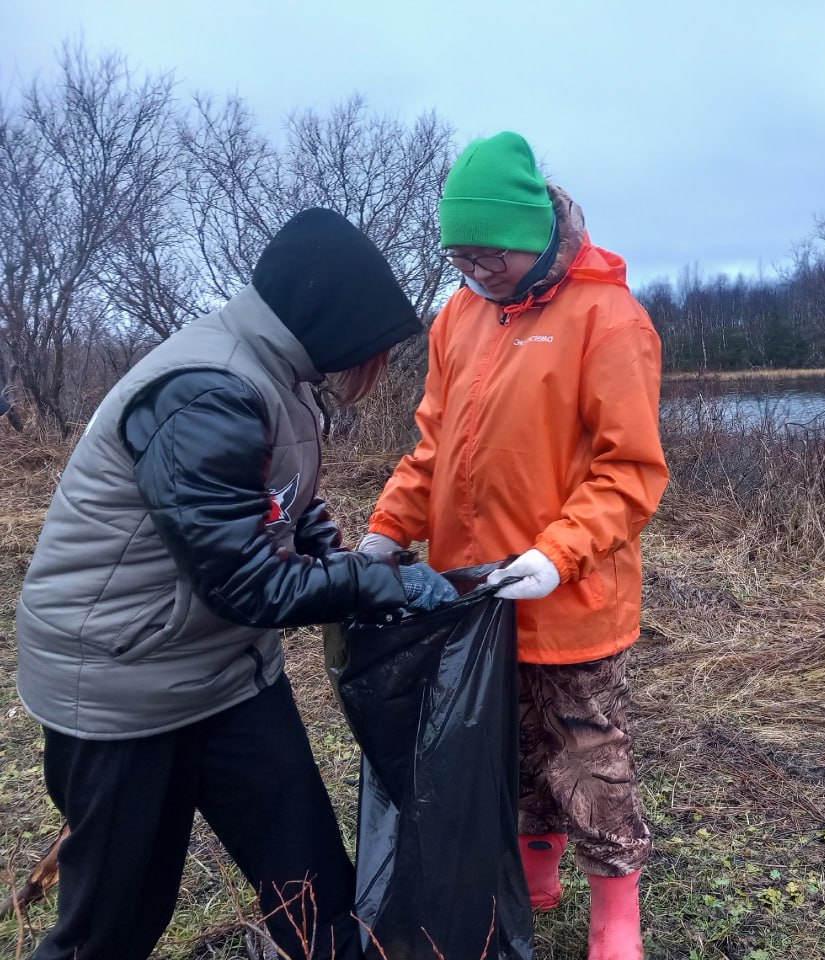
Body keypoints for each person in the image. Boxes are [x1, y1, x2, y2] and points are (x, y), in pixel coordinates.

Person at [16, 208, 457, 960]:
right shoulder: (205, 391)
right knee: (114, 923)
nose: (375, 368)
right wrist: (381, 588)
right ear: (332, 324)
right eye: (375, 349)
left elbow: (284, 500)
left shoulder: (281, 376)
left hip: (225, 672)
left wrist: (336, 552)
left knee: (311, 885)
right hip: (125, 682)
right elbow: (244, 583)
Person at [358, 131, 668, 960]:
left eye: (488, 252)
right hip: (472, 593)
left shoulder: (610, 318)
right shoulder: (458, 317)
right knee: (501, 752)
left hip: (571, 596)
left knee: (587, 758)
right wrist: (389, 531)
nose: (475, 269)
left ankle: (617, 921)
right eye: (459, 254)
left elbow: (631, 472)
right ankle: (534, 874)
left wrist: (558, 554)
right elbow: (432, 449)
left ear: (532, 236)